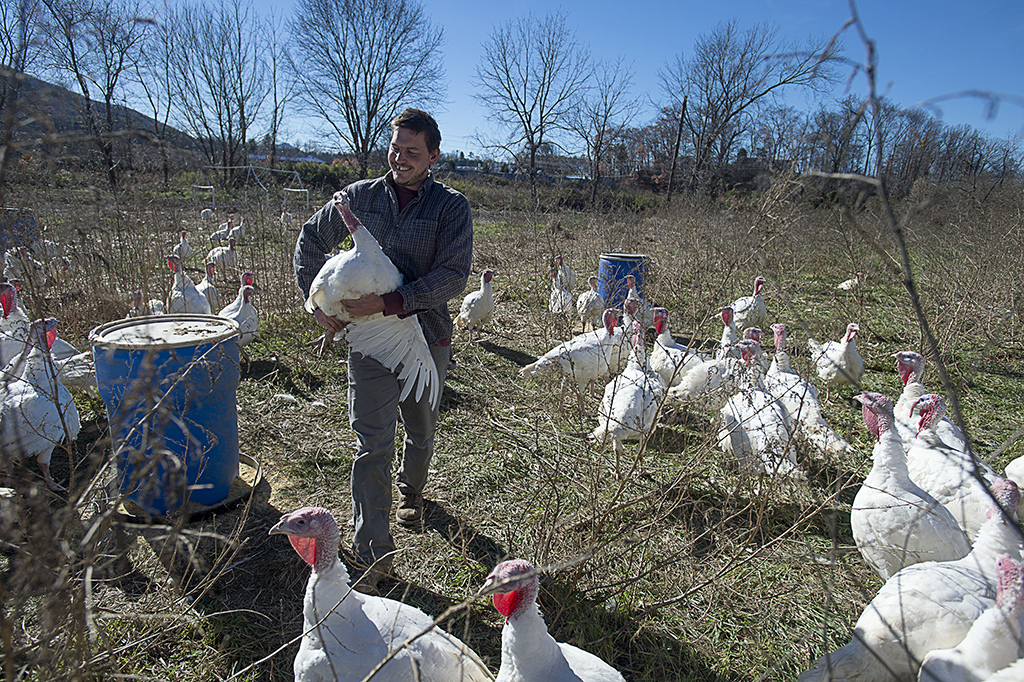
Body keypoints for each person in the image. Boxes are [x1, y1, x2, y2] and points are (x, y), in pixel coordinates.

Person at [293, 109, 472, 593]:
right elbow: (310, 240)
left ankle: (412, 492)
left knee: (421, 428)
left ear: (434, 156)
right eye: (395, 148)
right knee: (372, 443)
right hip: (367, 342)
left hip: (424, 336)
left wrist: (393, 302)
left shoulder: (451, 208)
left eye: (413, 152)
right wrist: (316, 302)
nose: (400, 158)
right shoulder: (358, 197)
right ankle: (374, 554)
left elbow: (454, 275)